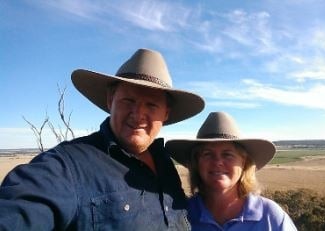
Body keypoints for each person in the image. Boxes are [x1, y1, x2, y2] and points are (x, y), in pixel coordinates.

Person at [0, 48, 204, 230]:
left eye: (151, 105)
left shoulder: (164, 163)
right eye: (128, 100)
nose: (138, 114)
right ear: (110, 101)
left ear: (166, 113)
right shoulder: (68, 167)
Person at [165, 111, 297, 230]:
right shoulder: (181, 215)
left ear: (244, 162)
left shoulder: (270, 216)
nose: (217, 162)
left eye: (227, 154)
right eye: (208, 154)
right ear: (196, 162)